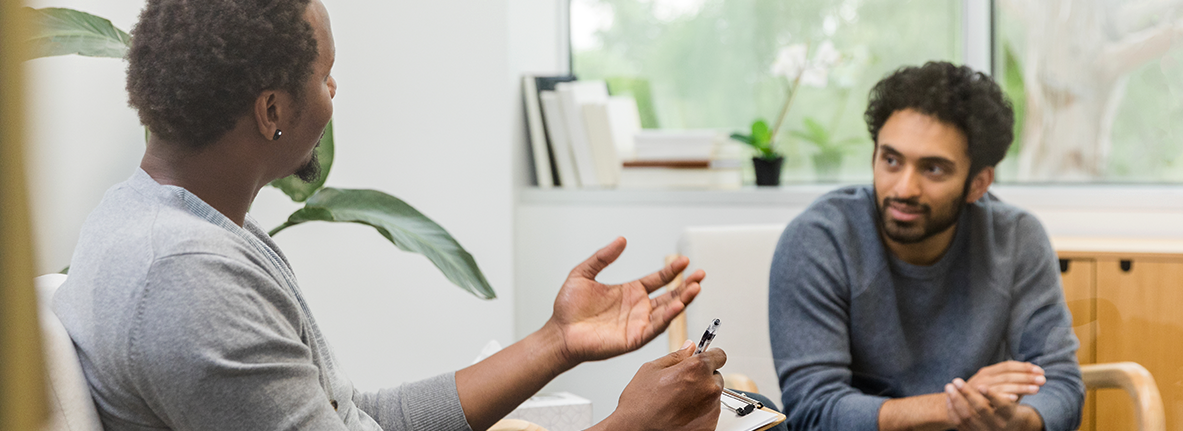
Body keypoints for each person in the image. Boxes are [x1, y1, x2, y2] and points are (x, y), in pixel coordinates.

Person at [51, 1, 727, 430]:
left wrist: (557, 340)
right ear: (272, 111)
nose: (334, 92)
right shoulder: (185, 279)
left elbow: (360, 416)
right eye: (325, 75)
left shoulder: (166, 222)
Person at [768, 61, 1084, 431]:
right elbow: (813, 411)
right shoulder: (819, 240)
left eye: (932, 169)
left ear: (978, 183)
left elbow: (1060, 383)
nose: (903, 188)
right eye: (891, 160)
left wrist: (1019, 420)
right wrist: (953, 407)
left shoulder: (1016, 239)